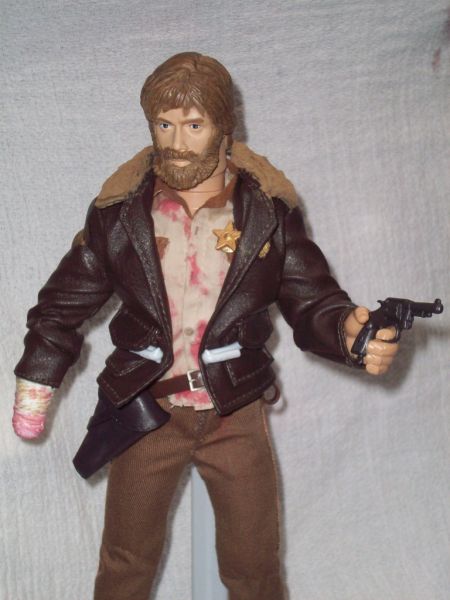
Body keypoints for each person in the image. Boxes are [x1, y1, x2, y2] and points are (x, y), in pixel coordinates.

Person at [13, 52, 398, 600]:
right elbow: (63, 303)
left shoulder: (266, 214)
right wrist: (38, 380)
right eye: (163, 125)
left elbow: (312, 298)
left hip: (235, 409)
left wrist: (349, 334)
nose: (177, 141)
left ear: (224, 127)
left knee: (253, 563)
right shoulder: (120, 215)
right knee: (126, 560)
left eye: (194, 125)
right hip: (146, 407)